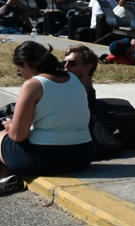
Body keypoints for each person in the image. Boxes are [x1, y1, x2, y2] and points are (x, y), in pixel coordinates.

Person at [0, 41, 94, 187]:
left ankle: (4, 177)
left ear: (25, 63)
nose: (21, 75)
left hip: (46, 159)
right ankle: (5, 177)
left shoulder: (34, 85)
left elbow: (18, 136)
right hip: (82, 155)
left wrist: (10, 126)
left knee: (2, 137)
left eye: (19, 70)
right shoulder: (74, 79)